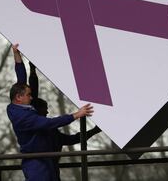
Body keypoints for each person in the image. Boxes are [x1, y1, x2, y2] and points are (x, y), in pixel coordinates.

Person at [11, 44, 101, 180]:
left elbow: (23, 82)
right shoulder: (26, 118)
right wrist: (76, 115)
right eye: (44, 109)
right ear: (19, 98)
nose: (47, 111)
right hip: (37, 165)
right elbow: (50, 122)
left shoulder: (49, 131)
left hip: (50, 166)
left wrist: (19, 58)